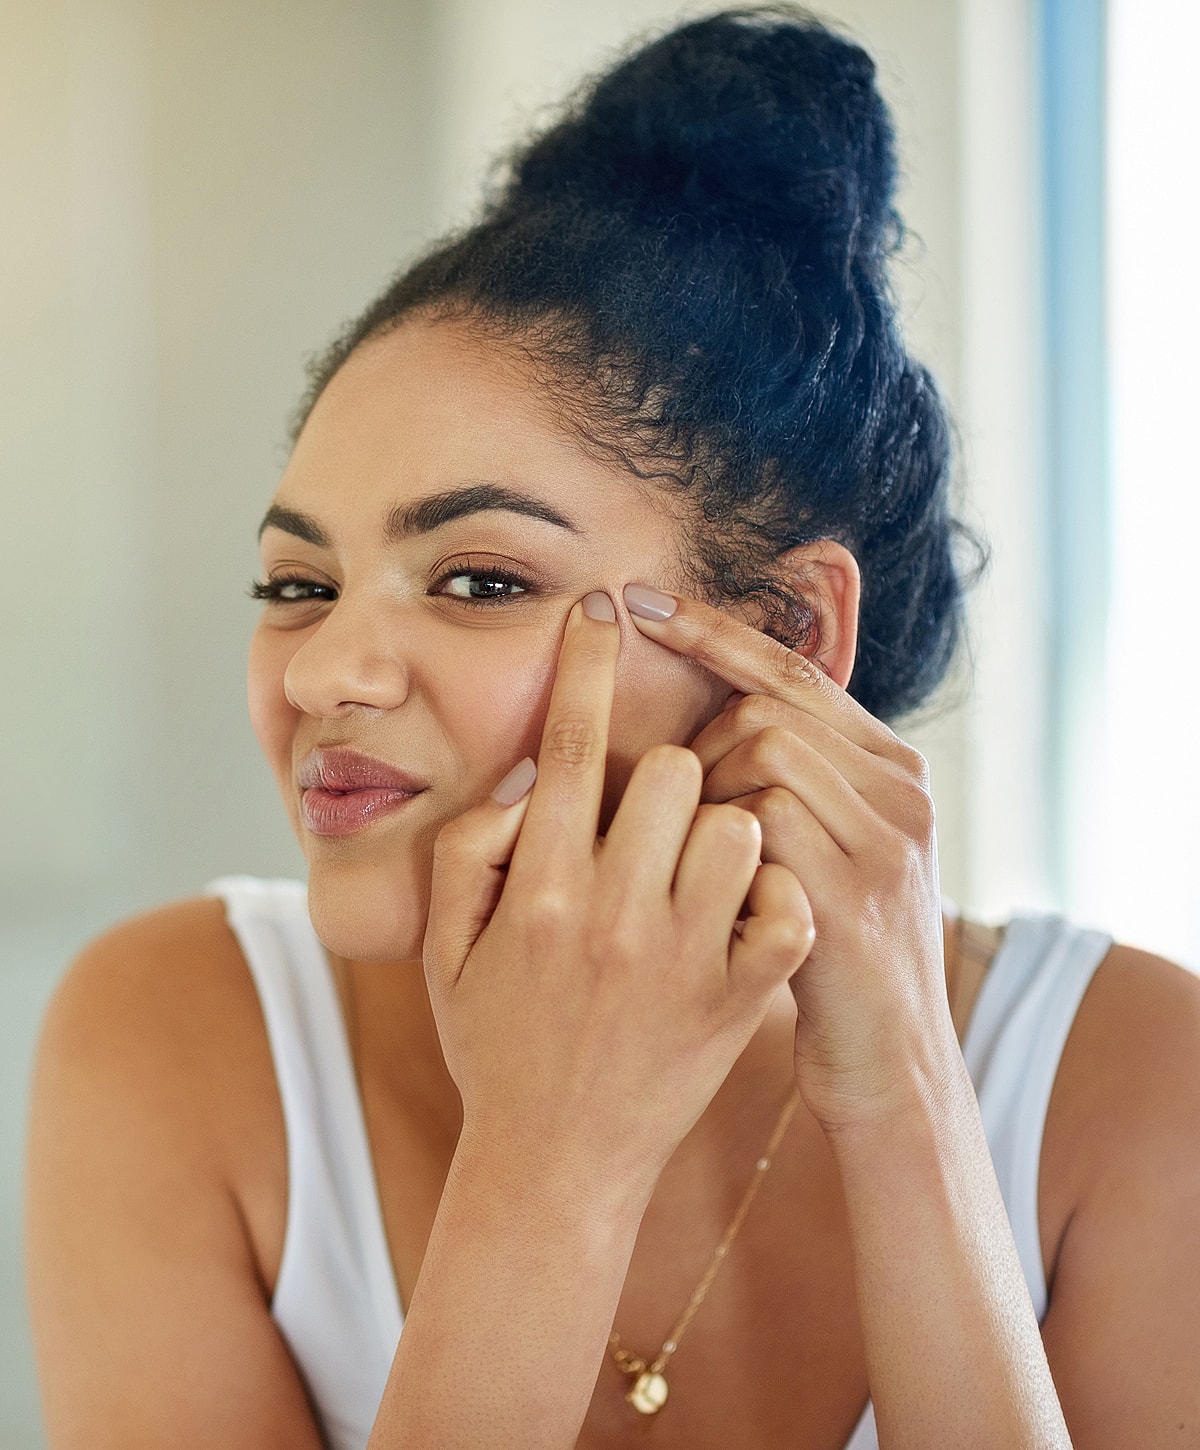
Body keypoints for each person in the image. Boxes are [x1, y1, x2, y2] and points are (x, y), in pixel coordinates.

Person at [25, 8, 1200, 1448]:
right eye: (297, 582)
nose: (326, 666)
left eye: (478, 577)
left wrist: (904, 1100)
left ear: (784, 637)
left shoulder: (1133, 1079)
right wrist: (544, 1166)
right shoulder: (175, 1038)